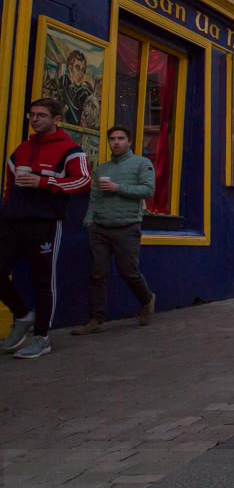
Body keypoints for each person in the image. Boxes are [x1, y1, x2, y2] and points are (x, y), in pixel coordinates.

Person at [0, 98, 92, 359]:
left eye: (41, 115)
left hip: (45, 222)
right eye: (32, 115)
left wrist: (44, 182)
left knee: (43, 280)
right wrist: (7, 210)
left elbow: (83, 182)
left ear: (56, 120)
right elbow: (9, 184)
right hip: (13, 221)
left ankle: (42, 337)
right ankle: (21, 314)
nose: (35, 119)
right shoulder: (21, 150)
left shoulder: (71, 150)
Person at [73, 124, 156, 335]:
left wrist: (118, 188)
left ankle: (146, 299)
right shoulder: (101, 169)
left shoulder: (142, 164)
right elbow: (94, 198)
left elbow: (148, 190)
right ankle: (96, 319)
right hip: (99, 227)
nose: (116, 142)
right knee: (97, 273)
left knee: (128, 271)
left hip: (127, 226)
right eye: (112, 139)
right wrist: (89, 221)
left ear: (129, 142)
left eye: (120, 138)